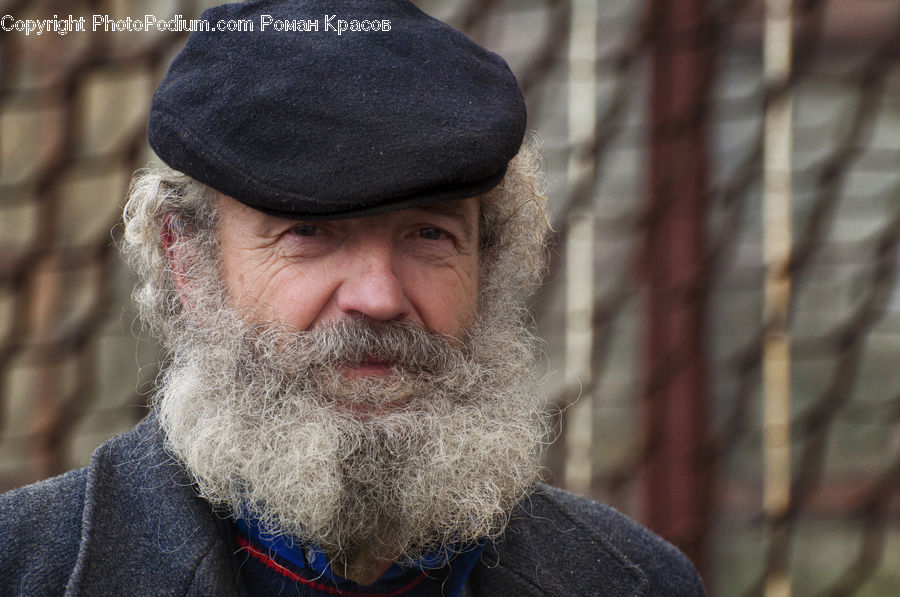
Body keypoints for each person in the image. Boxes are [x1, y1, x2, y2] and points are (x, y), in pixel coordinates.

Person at [0, 1, 706, 595]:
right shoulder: (26, 568)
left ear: (488, 266)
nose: (378, 296)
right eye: (307, 233)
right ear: (187, 262)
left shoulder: (634, 580)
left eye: (429, 233)